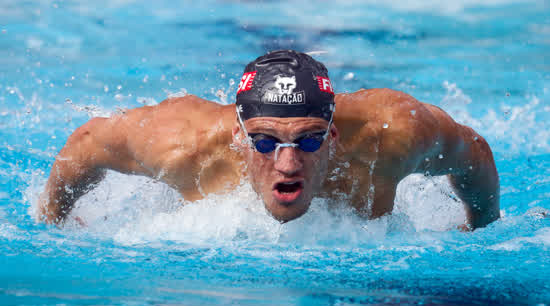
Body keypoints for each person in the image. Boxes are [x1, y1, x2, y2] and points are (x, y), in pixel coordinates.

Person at [38, 50, 500, 229]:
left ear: (334, 136)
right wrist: (54, 221)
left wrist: (480, 227)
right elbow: (85, 143)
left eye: (310, 141)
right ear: (239, 138)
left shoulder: (391, 135)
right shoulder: (184, 148)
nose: (287, 163)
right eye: (264, 142)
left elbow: (474, 155)